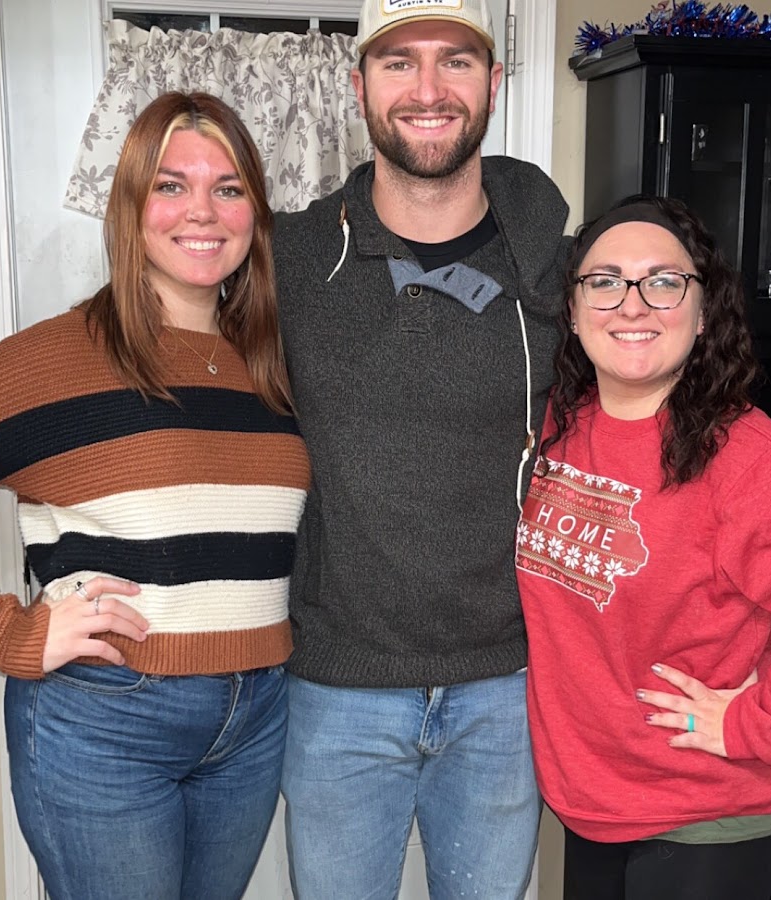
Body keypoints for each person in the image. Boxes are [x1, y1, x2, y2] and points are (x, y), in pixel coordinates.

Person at [0, 92, 309, 900]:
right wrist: (5, 632)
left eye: (228, 188)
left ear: (255, 212)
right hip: (106, 718)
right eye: (170, 185)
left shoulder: (276, 366)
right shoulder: (34, 368)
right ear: (129, 207)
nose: (202, 211)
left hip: (257, 716)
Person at [272, 0, 569, 896]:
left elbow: (654, 405)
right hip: (338, 686)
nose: (429, 89)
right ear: (358, 85)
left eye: (457, 61)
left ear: (495, 83)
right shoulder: (289, 261)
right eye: (399, 62)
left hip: (506, 689)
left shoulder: (558, 269)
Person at [516, 195, 771, 900]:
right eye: (605, 281)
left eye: (664, 281)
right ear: (573, 309)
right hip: (596, 798)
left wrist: (755, 723)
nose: (632, 304)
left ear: (703, 313)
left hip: (713, 805)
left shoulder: (751, 459)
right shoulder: (555, 426)